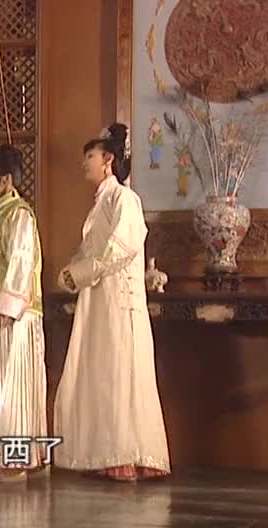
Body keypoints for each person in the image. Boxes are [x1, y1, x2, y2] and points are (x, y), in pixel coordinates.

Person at [54, 123, 171, 482]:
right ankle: (105, 453)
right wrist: (71, 273)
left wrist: (81, 272)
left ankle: (126, 454)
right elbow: (91, 250)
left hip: (118, 301)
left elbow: (120, 249)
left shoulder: (125, 199)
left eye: (89, 156)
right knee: (102, 374)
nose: (84, 163)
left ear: (108, 160)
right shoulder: (101, 202)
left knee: (120, 373)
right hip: (99, 299)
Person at [0, 144, 48, 483]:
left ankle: (14, 458)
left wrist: (9, 306)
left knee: (13, 384)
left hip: (15, 314)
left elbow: (21, 259)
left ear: (6, 180)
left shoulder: (20, 215)